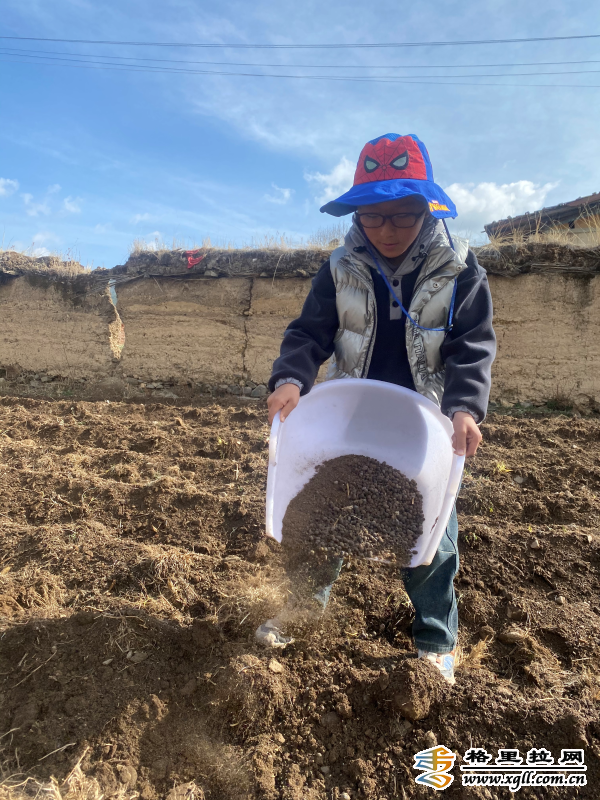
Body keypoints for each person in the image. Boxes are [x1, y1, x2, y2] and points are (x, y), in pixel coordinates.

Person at [256, 133, 496, 685]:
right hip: (350, 417)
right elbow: (309, 332)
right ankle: (305, 608)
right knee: (321, 517)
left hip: (421, 424)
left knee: (431, 536)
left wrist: (464, 408)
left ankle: (435, 639)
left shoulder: (459, 270)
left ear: (427, 208)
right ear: (357, 215)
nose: (387, 229)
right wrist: (291, 378)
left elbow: (472, 346)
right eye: (372, 216)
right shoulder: (340, 267)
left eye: (402, 215)